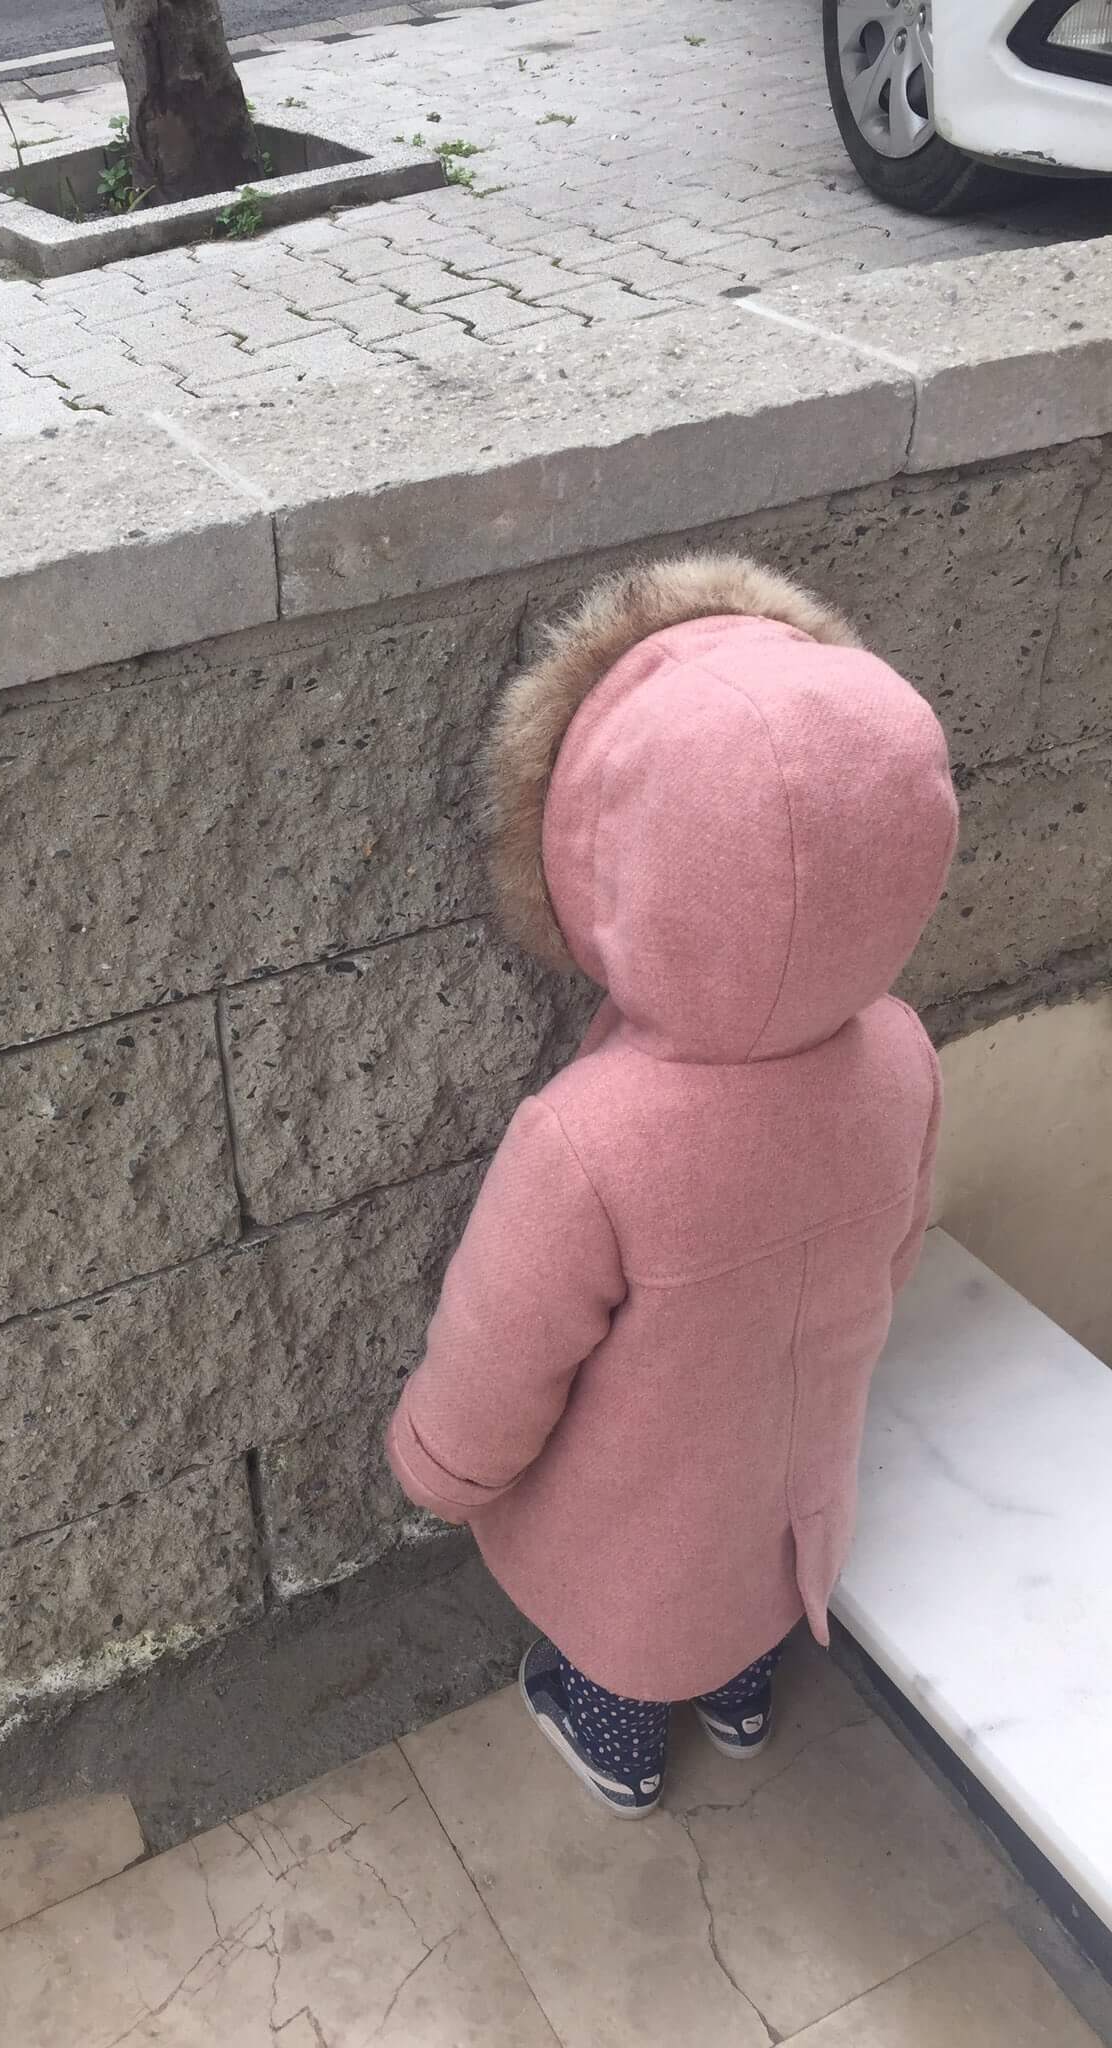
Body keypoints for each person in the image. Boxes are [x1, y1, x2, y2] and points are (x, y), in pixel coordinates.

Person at [387, 554, 958, 1818]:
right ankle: (743, 1697)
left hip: (642, 1510)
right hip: (793, 1467)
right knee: (753, 1575)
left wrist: (441, 1460)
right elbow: (900, 1245)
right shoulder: (903, 1059)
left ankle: (619, 1741)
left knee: (632, 1611)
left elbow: (501, 1344)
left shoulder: (589, 1136)